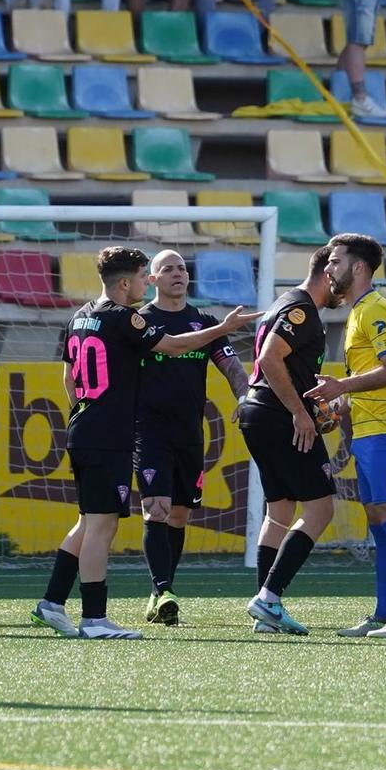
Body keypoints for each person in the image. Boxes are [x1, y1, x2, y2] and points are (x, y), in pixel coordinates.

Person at [30, 245, 245, 640]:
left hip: (84, 428)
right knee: (101, 527)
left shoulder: (80, 316)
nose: (148, 283)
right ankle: (94, 618)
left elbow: (69, 380)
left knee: (87, 522)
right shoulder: (124, 319)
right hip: (109, 435)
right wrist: (222, 329)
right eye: (146, 275)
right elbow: (175, 345)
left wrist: (86, 411)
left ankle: (52, 602)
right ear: (126, 282)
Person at [301, 234, 386, 639]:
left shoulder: (375, 309)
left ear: (358, 267)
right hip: (371, 429)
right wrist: (342, 405)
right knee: (378, 520)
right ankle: (384, 614)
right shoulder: (358, 311)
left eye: (335, 262)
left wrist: (342, 388)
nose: (328, 269)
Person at [130, 249, 253, 625]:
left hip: (189, 432)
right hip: (148, 431)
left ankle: (159, 592)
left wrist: (245, 395)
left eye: (181, 267)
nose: (176, 273)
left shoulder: (204, 321)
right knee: (158, 508)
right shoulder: (139, 321)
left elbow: (231, 366)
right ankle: (164, 588)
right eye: (167, 268)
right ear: (152, 280)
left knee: (180, 515)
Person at [239, 244, 342, 636]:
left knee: (279, 511)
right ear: (326, 274)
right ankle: (269, 597)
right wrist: (301, 413)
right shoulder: (302, 310)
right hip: (279, 415)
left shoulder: (283, 301)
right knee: (320, 509)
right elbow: (269, 358)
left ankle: (267, 609)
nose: (343, 293)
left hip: (258, 412)